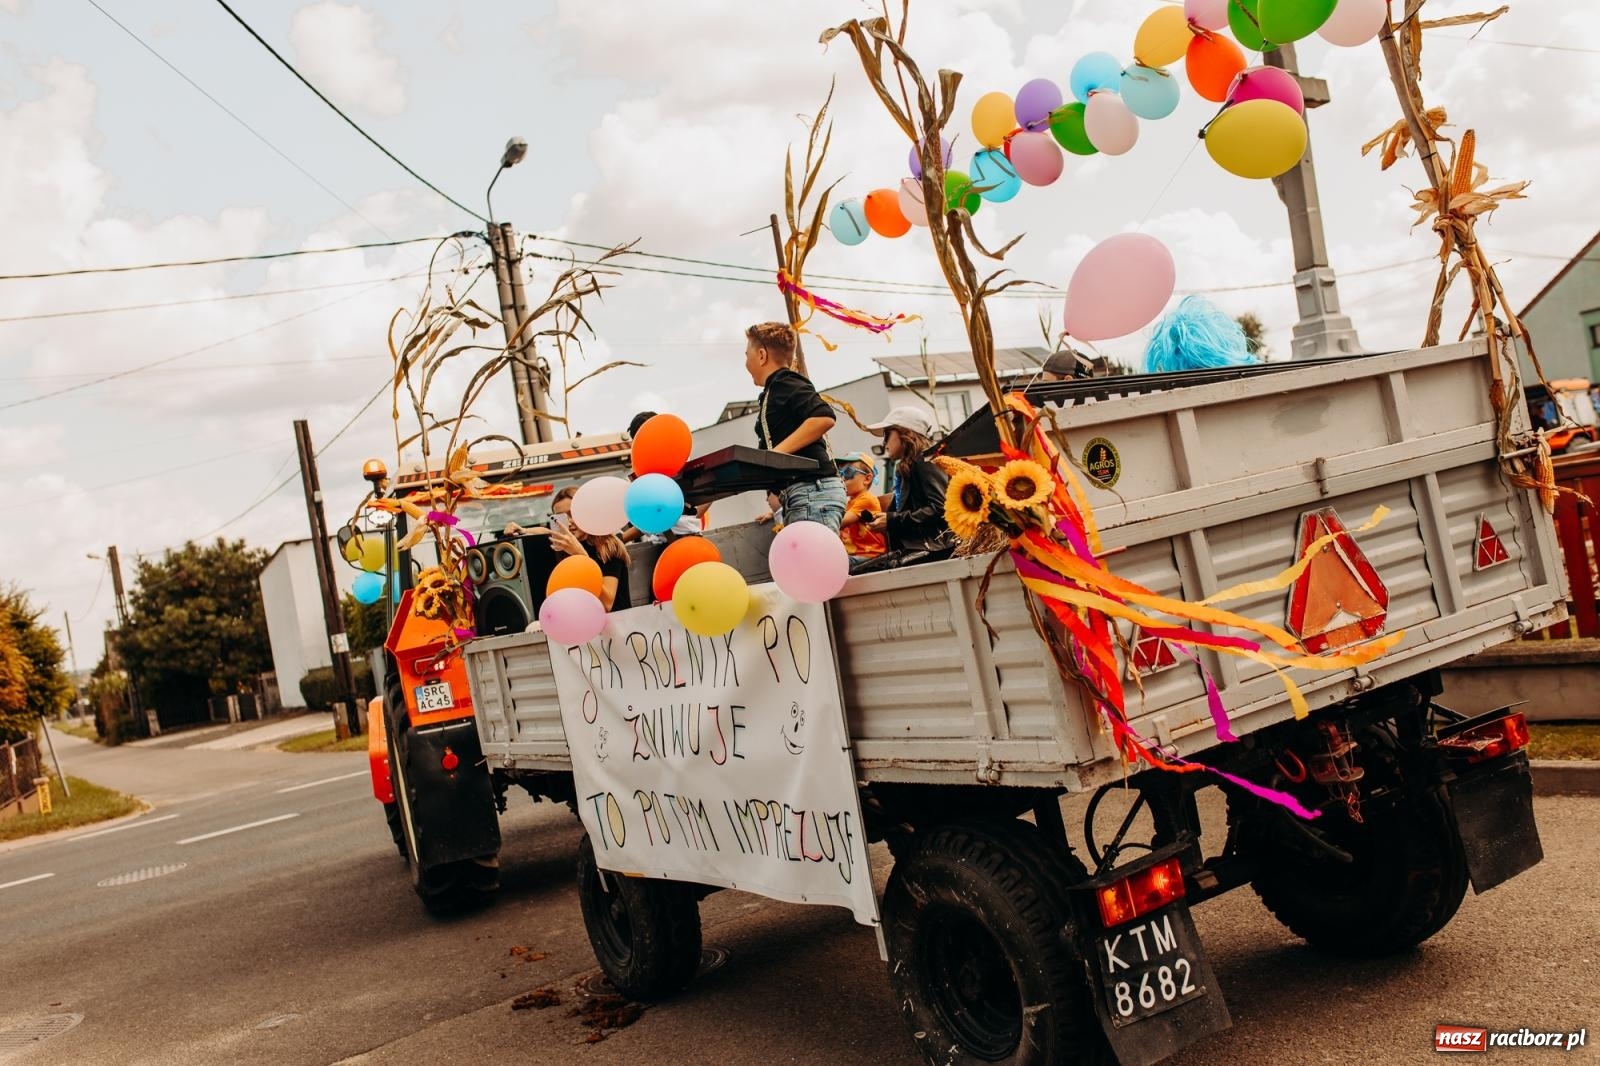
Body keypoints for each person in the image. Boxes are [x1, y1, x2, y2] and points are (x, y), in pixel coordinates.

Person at [745, 322, 846, 531]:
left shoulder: (785, 382)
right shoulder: (774, 389)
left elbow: (823, 416)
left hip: (812, 489)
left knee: (815, 562)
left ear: (762, 355)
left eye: (747, 355)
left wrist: (774, 455)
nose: (746, 363)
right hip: (803, 492)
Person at [863, 405, 954, 557]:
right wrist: (885, 520)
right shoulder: (908, 466)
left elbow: (940, 508)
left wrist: (892, 520)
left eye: (886, 435)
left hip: (930, 550)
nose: (884, 443)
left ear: (905, 433)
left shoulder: (923, 461)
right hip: (919, 549)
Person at [621, 409, 703, 543]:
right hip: (666, 540)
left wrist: (688, 520)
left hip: (687, 537)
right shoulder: (641, 477)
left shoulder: (681, 464)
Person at [548, 485, 631, 611]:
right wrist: (522, 530)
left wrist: (581, 557)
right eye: (561, 518)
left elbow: (606, 604)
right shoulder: (562, 548)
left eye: (573, 514)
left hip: (616, 624)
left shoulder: (607, 546)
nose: (569, 522)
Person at [836, 453, 887, 561]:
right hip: (854, 555)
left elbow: (838, 522)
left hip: (869, 555)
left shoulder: (867, 499)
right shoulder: (849, 503)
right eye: (839, 473)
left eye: (848, 472)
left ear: (867, 479)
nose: (842, 479)